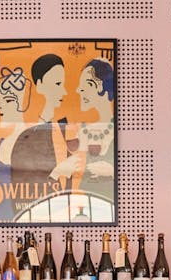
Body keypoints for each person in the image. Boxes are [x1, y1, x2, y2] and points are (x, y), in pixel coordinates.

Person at [10, 54, 78, 217]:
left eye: (63, 83)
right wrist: (57, 173)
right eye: (57, 84)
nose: (64, 91)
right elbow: (24, 196)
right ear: (39, 86)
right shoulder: (27, 138)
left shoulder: (65, 130)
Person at [0, 66, 31, 223]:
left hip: (22, 215)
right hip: (5, 216)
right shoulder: (2, 143)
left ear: (23, 103)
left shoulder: (34, 140)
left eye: (7, 100)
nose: (0, 108)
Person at [74, 58, 115, 204]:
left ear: (100, 87)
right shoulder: (81, 129)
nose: (78, 90)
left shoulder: (122, 131)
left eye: (85, 85)